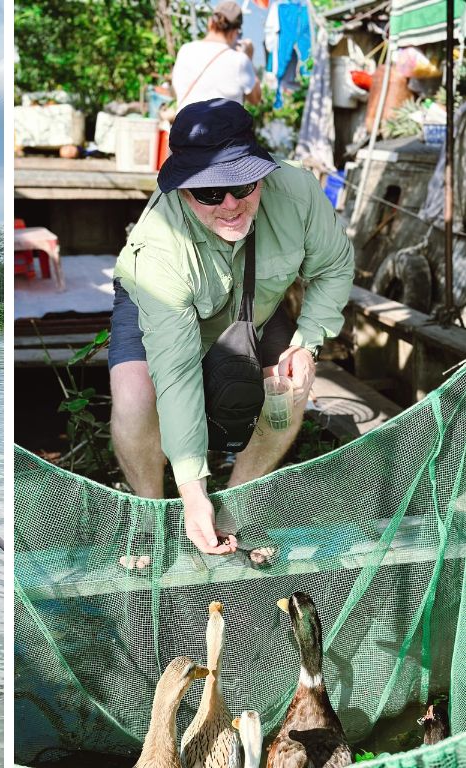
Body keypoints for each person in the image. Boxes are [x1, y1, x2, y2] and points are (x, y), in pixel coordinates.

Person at [109, 99, 354, 561]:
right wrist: (192, 487)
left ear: (261, 172)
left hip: (254, 302)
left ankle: (236, 508)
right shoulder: (159, 249)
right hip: (165, 303)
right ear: (182, 191)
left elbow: (334, 267)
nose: (230, 205)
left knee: (290, 387)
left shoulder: (298, 191)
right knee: (138, 397)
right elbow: (177, 375)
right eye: (208, 194)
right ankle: (149, 514)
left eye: (243, 184)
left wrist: (307, 342)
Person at [171, 1, 261, 111]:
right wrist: (249, 59)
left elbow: (176, 91)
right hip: (223, 128)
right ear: (235, 32)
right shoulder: (239, 61)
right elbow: (255, 99)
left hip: (187, 127)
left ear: (210, 23)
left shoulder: (185, 50)